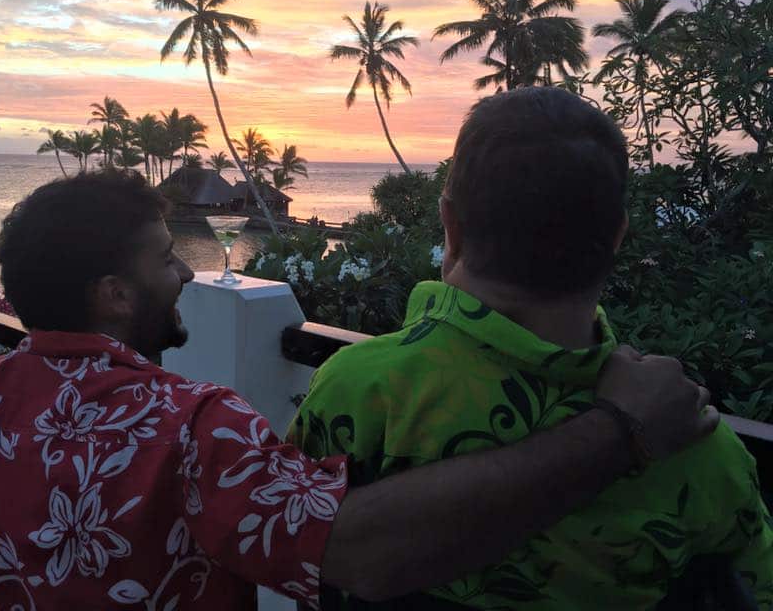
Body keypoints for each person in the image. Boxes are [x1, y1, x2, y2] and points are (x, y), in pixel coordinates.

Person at [0, 170, 717, 610]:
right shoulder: (188, 430)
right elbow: (362, 553)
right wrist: (618, 429)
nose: (184, 273)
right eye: (166, 257)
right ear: (115, 296)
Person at [290, 87, 772, 610]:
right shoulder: (698, 443)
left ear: (450, 224)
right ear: (618, 236)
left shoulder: (358, 391)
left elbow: (297, 553)